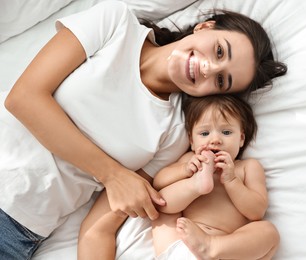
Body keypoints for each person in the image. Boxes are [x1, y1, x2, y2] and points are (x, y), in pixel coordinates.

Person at [0, 0, 286, 258]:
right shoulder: (115, 22)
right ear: (204, 27)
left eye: (222, 80)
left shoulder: (175, 133)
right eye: (220, 50)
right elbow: (23, 98)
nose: (209, 69)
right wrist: (112, 174)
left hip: (18, 232)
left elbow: (97, 229)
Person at [78, 94, 278, 259]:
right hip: (180, 247)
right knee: (161, 202)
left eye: (226, 132)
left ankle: (212, 246)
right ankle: (198, 186)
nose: (215, 140)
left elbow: (256, 211)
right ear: (191, 140)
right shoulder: (190, 160)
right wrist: (186, 173)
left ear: (241, 138)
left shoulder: (247, 168)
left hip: (227, 249)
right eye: (205, 133)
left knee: (268, 232)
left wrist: (232, 181)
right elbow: (159, 182)